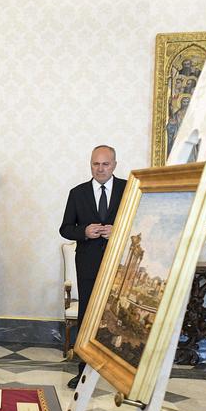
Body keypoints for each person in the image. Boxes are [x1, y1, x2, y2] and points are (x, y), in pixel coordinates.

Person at [59, 145, 126, 388]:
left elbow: (142, 223)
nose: (100, 169)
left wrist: (118, 231)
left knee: (119, 316)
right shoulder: (78, 193)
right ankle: (83, 372)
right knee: (88, 316)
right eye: (95, 164)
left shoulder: (129, 189)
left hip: (120, 263)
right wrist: (84, 232)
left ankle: (121, 374)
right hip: (87, 264)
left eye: (105, 164)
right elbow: (65, 228)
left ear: (114, 165)